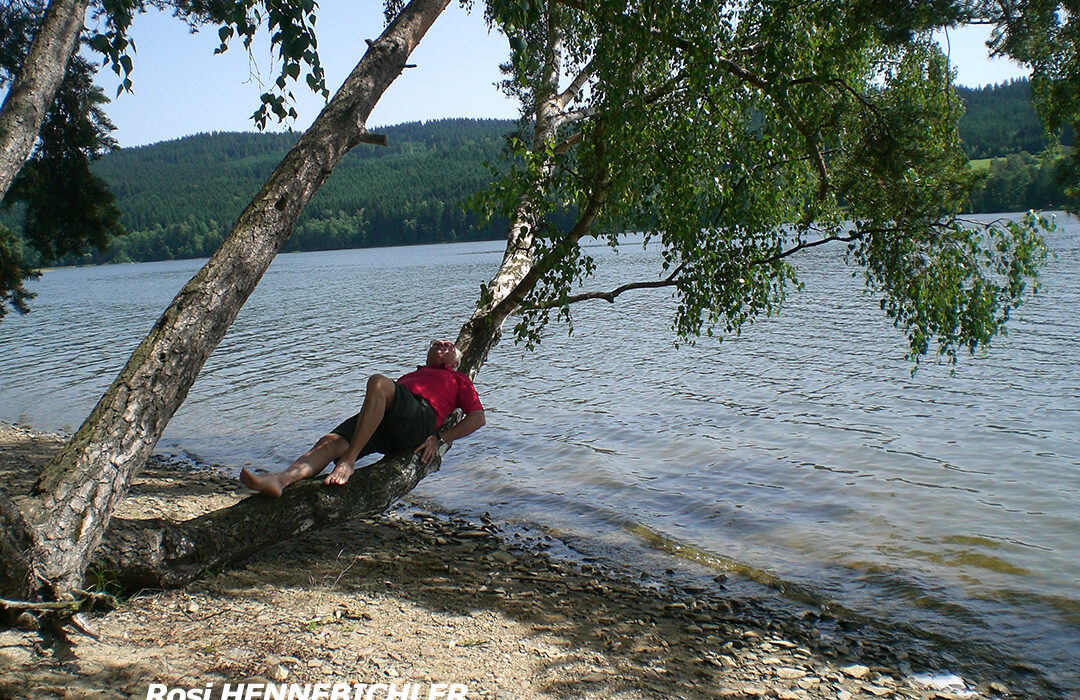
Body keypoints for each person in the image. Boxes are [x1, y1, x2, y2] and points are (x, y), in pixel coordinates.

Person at [240, 339, 485, 498]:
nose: (442, 344)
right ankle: (280, 480)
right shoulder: (412, 375)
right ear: (427, 354)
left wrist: (440, 438)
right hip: (389, 419)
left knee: (378, 382)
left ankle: (348, 462)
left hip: (419, 418)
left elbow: (477, 418)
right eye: (436, 343)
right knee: (330, 441)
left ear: (455, 362)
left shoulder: (458, 379)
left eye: (449, 345)